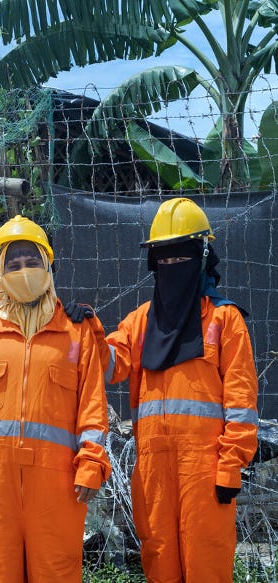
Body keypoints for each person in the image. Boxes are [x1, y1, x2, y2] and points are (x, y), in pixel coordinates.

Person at [0, 215, 111, 582]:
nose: (23, 270)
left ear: (48, 265)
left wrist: (91, 464)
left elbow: (93, 409)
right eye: (13, 264)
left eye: (32, 261)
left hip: (58, 486)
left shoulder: (75, 332)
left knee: (56, 573)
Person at [104, 197, 258, 582]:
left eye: (181, 259)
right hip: (153, 474)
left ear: (202, 258)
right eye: (165, 260)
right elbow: (108, 366)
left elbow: (241, 404)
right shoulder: (140, 322)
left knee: (206, 565)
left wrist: (230, 468)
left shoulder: (226, 320)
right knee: (159, 565)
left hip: (205, 475)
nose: (172, 268)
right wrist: (83, 329)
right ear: (154, 264)